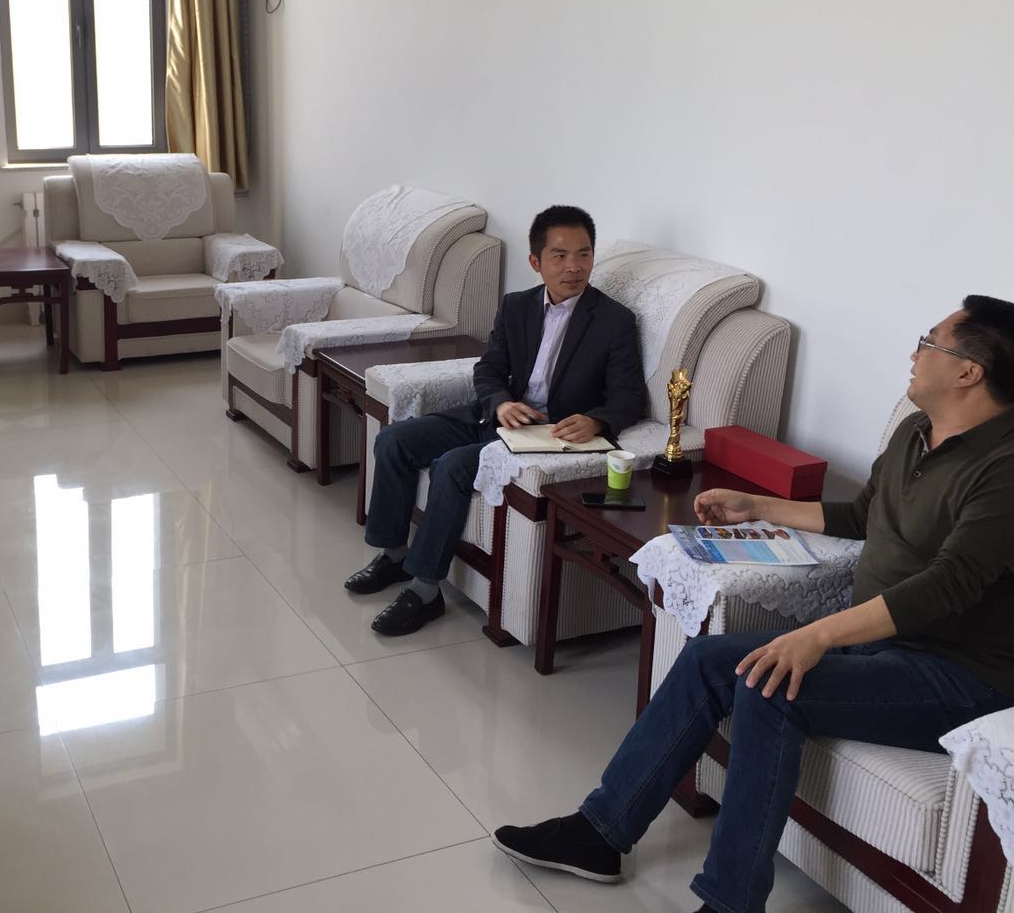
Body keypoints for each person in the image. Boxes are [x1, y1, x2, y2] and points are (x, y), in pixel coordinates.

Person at [493, 295, 1014, 913]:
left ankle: (731, 901)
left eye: (928, 342)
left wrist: (819, 635)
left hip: (957, 674)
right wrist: (757, 507)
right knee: (708, 659)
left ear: (968, 371)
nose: (914, 352)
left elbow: (949, 583)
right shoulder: (915, 431)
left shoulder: (1004, 467)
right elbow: (863, 515)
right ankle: (600, 833)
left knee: (770, 686)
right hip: (878, 644)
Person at [347, 205, 644, 635]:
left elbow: (628, 397)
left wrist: (596, 421)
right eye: (560, 255)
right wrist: (501, 402)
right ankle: (393, 555)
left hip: (547, 436)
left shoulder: (614, 321)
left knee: (452, 466)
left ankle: (425, 591)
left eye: (584, 254)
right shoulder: (516, 306)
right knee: (394, 439)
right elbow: (488, 369)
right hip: (498, 417)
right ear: (536, 262)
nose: (574, 266)